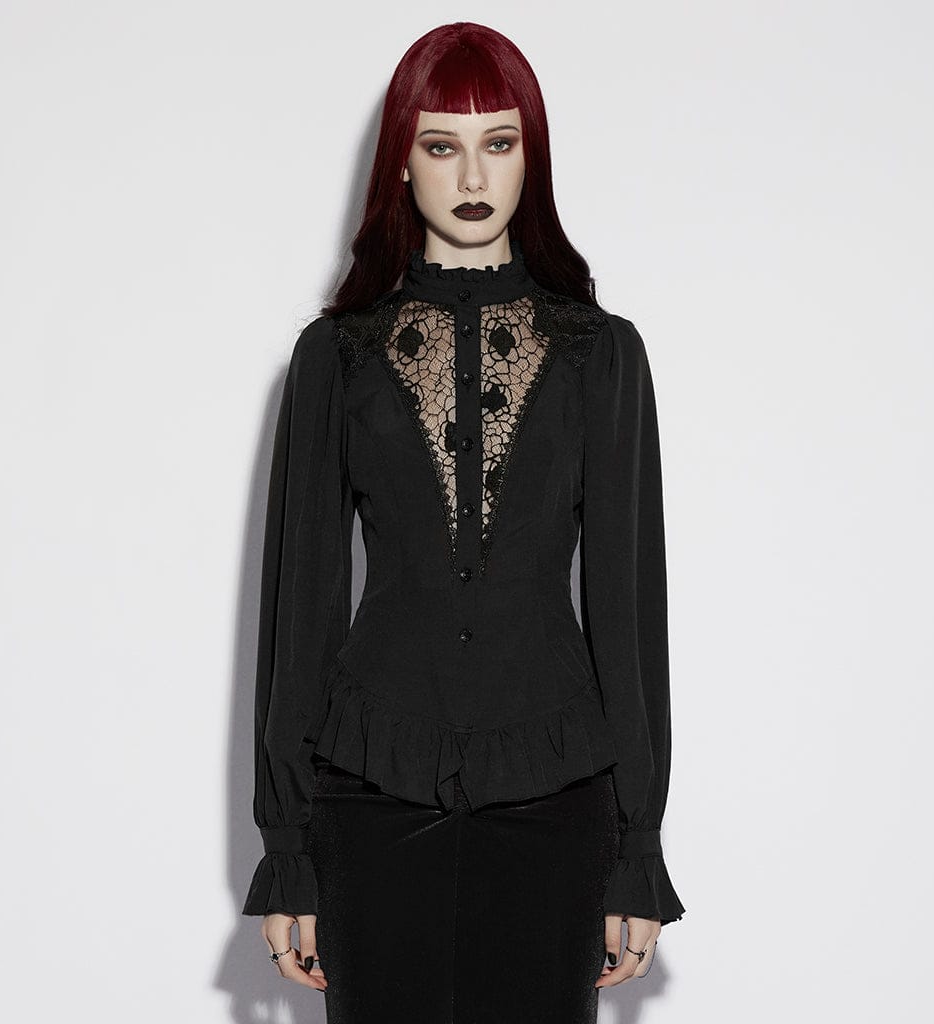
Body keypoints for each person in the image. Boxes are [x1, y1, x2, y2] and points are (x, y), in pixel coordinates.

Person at [241, 21, 686, 1022]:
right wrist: (288, 848)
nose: (473, 175)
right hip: (368, 796)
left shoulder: (600, 353)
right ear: (401, 162)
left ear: (533, 157)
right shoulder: (337, 356)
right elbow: (301, 610)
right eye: (442, 144)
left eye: (500, 142)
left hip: (556, 797)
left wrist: (637, 846)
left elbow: (628, 612)